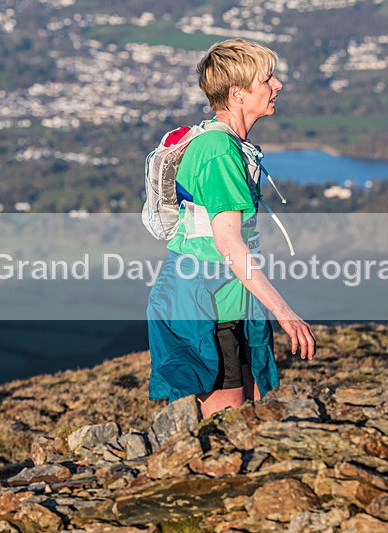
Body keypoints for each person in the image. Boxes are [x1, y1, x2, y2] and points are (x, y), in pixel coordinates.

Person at [146, 39, 316, 419]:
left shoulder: (229, 145)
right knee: (226, 429)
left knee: (250, 419)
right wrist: (287, 314)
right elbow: (229, 245)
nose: (278, 85)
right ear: (238, 94)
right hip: (207, 310)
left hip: (231, 304)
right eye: (267, 78)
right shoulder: (219, 152)